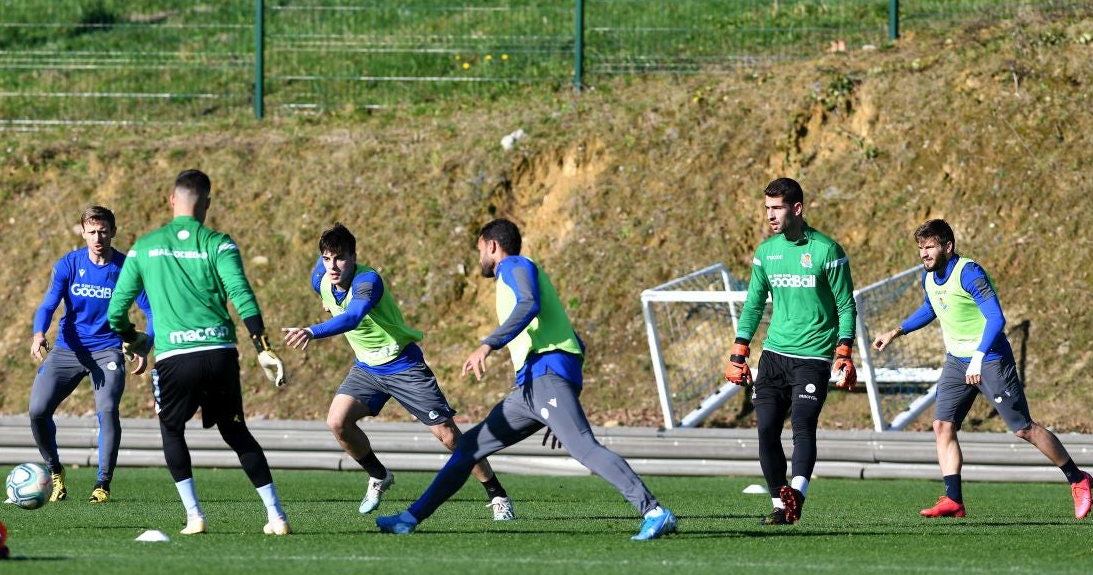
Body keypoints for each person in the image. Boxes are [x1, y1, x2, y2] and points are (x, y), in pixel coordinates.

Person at [376, 218, 677, 541]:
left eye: (480, 249)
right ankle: (410, 518)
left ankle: (654, 512)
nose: (480, 257)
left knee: (584, 449)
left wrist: (487, 345)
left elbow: (529, 304)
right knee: (468, 448)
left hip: (544, 375)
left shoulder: (513, 266)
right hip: (531, 387)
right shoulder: (519, 274)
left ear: (492, 246)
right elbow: (577, 341)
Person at [282, 223, 515, 520]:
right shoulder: (321, 278)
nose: (333, 266)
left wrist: (313, 331)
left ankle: (498, 495)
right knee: (337, 422)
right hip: (366, 368)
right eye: (327, 258)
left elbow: (353, 317)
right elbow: (332, 297)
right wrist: (329, 305)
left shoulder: (368, 281)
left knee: (449, 436)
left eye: (340, 258)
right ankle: (379, 475)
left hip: (402, 364)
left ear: (354, 256)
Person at [106, 169, 291, 536]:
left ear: (171, 200)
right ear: (206, 203)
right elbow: (242, 295)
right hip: (220, 353)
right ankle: (277, 516)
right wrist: (262, 346)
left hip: (176, 357)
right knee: (237, 433)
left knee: (172, 430)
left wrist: (133, 338)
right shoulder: (219, 243)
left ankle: (195, 517)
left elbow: (116, 312)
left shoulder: (144, 247)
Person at [872, 219, 1093, 519]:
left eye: (930, 247)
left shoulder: (969, 272)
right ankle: (953, 499)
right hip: (956, 361)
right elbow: (931, 308)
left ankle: (1077, 478)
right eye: (920, 248)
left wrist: (978, 358)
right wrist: (896, 331)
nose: (923, 254)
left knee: (1023, 428)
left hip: (990, 359)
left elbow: (996, 318)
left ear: (948, 247)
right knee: (942, 426)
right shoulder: (929, 276)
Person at [726, 177, 857, 526]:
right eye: (767, 207)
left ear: (796, 209)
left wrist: (843, 351)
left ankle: (796, 494)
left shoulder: (827, 250)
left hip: (813, 356)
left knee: (802, 424)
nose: (770, 215)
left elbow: (846, 305)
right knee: (766, 429)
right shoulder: (766, 253)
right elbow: (753, 305)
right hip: (773, 356)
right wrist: (739, 352)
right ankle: (780, 504)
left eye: (777, 208)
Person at [29, 206, 152, 504]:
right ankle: (55, 472)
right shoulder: (68, 264)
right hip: (68, 349)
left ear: (113, 232)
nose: (98, 237)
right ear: (83, 232)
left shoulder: (127, 267)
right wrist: (38, 333)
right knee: (37, 411)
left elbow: (151, 311)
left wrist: (144, 344)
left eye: (104, 231)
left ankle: (102, 484)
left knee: (107, 410)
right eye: (92, 232)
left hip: (108, 350)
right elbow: (48, 305)